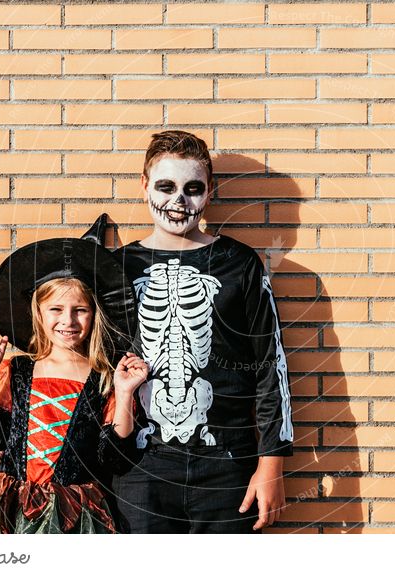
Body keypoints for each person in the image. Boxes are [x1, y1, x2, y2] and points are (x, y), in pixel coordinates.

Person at [111, 130, 294, 533]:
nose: (179, 201)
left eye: (193, 188)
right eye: (166, 186)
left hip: (225, 461)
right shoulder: (115, 268)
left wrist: (272, 462)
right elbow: (82, 362)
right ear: (144, 187)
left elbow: (269, 364)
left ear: (210, 192)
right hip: (139, 466)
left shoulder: (238, 263)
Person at [0, 238, 148, 534]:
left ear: (94, 314)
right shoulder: (17, 371)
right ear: (39, 313)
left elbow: (113, 459)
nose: (68, 320)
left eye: (80, 309)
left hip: (74, 514)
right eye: (56, 309)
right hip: (13, 507)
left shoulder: (105, 378)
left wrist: (124, 393)